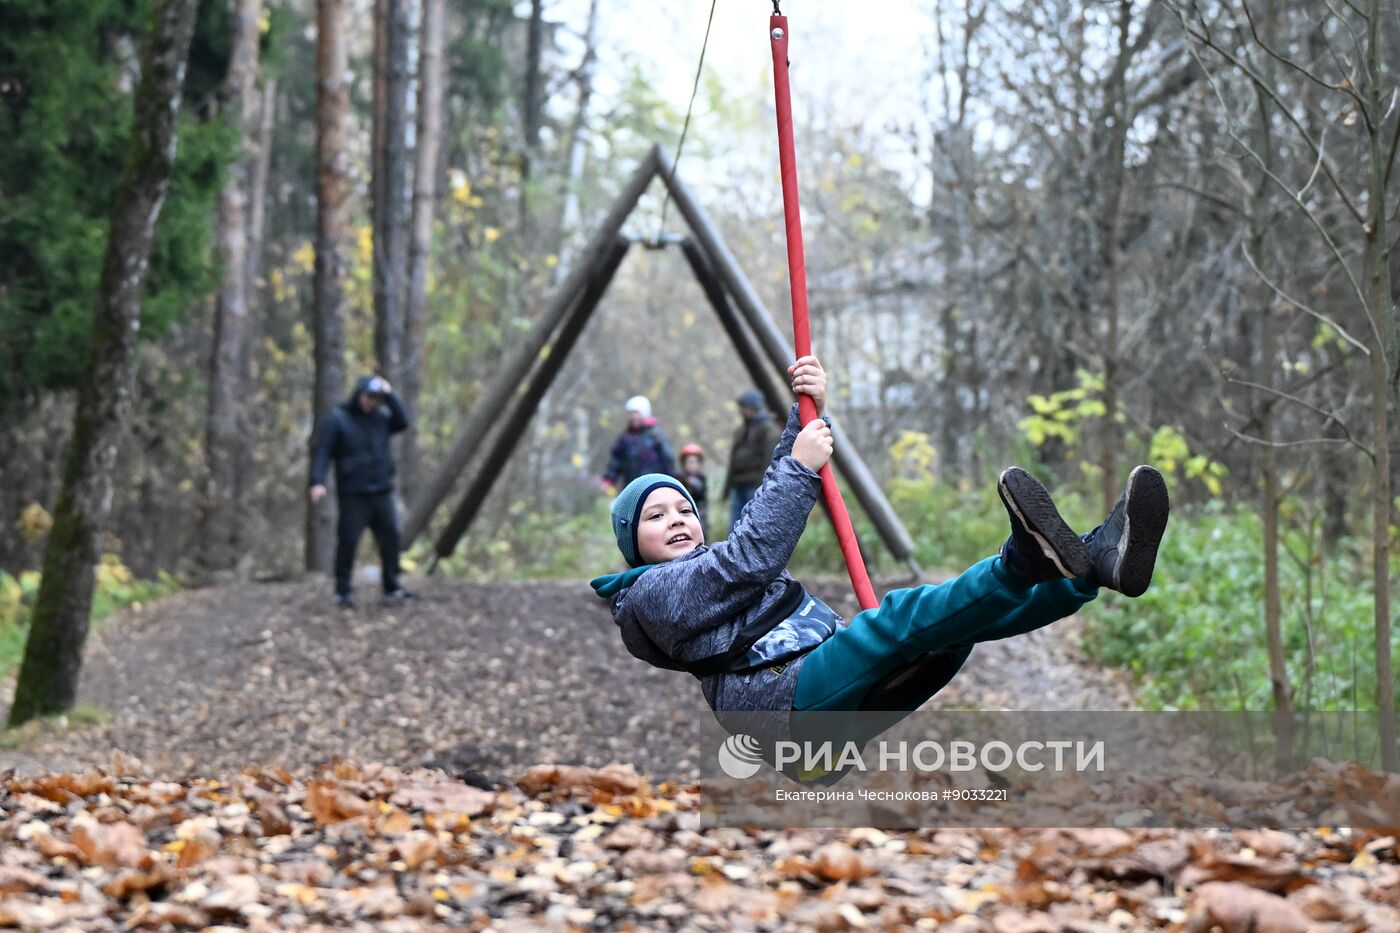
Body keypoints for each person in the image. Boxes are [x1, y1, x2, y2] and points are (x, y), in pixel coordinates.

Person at [590, 356, 1169, 737]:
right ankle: (1025, 560)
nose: (677, 518)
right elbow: (752, 555)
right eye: (654, 516)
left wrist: (805, 412)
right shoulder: (652, 595)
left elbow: (759, 514)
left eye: (684, 508)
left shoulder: (701, 569)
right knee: (900, 616)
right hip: (785, 708)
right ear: (632, 549)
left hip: (820, 691)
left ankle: (1093, 566)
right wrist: (800, 467)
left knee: (949, 629)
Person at [310, 375, 416, 608]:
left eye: (377, 398)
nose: (372, 402)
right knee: (348, 541)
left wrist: (389, 394)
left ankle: (392, 585)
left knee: (391, 537)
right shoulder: (338, 419)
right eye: (369, 397)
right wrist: (317, 481)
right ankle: (343, 590)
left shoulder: (381, 419)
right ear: (359, 395)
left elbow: (403, 421)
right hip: (354, 494)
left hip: (382, 491)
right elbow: (323, 452)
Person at [724, 388, 781, 531]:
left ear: (753, 407)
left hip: (754, 486)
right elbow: (733, 461)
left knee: (751, 528)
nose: (741, 411)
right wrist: (727, 487)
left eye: (744, 407)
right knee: (734, 529)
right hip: (739, 485)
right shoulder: (741, 430)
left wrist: (762, 486)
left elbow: (770, 460)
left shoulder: (769, 430)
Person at [602, 395, 675, 491]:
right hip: (631, 488)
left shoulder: (657, 436)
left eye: (636, 413)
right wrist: (609, 480)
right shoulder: (625, 438)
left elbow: (667, 460)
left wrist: (672, 483)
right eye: (631, 413)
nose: (633, 416)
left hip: (653, 487)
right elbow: (616, 461)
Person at [677, 443, 709, 532]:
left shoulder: (701, 477)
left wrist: (690, 482)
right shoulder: (680, 478)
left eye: (694, 462)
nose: (691, 465)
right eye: (688, 462)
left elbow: (700, 490)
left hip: (699, 510)